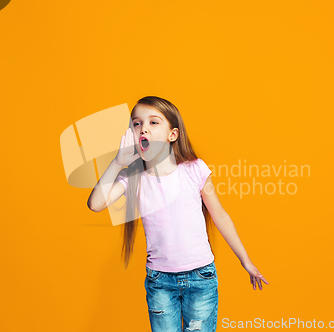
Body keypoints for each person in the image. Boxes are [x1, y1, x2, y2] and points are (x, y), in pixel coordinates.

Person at [87, 96, 268, 332]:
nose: (143, 129)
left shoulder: (195, 169)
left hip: (200, 279)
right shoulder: (133, 176)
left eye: (153, 123)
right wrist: (117, 162)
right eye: (137, 123)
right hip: (160, 282)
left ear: (172, 135)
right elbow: (96, 204)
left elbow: (220, 216)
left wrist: (246, 260)